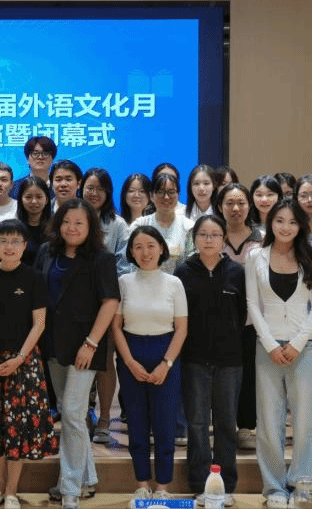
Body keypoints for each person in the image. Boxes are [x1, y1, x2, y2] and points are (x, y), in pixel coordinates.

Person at [0, 218, 57, 509]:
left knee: (17, 427)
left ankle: (12, 492)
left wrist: (19, 358)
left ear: (25, 245)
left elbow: (39, 323)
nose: (9, 246)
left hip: (23, 362)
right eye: (3, 240)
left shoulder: (34, 278)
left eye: (16, 241)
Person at [34, 199, 120, 509]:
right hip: (53, 343)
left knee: (71, 412)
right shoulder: (47, 252)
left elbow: (110, 302)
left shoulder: (102, 258)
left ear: (90, 227)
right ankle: (88, 477)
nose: (72, 228)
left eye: (79, 223)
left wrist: (92, 342)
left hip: (86, 346)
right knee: (71, 413)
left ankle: (68, 486)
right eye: (66, 222)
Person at [245, 200, 312, 508]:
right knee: (268, 421)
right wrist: (270, 344)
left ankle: (304, 486)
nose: (286, 227)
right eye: (279, 221)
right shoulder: (256, 256)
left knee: (306, 420)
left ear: (301, 225)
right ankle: (275, 488)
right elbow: (253, 305)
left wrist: (298, 343)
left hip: (304, 348)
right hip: (267, 348)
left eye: (292, 222)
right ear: (271, 223)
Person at [110, 225, 187, 502]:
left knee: (165, 425)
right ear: (131, 251)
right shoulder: (123, 282)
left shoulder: (174, 283)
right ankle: (142, 483)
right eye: (138, 247)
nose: (145, 252)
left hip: (165, 354)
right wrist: (129, 362)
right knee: (137, 424)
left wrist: (166, 363)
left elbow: (181, 329)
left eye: (151, 246)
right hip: (131, 354)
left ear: (161, 249)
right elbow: (116, 327)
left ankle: (163, 486)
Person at [175, 214, 246, 504]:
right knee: (197, 423)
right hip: (194, 360)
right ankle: (199, 482)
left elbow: (243, 314)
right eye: (203, 235)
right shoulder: (183, 272)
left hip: (230, 361)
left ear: (223, 239)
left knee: (227, 423)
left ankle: (226, 485)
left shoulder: (236, 272)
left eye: (215, 235)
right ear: (195, 239)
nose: (208, 240)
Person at [81, 167, 131, 444]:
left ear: (108, 192)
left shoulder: (118, 225)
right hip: (77, 304)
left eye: (100, 188)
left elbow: (123, 267)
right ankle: (81, 416)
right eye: (90, 187)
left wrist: (107, 296)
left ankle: (103, 420)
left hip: (107, 304)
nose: (94, 193)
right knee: (78, 361)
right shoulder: (74, 218)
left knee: (104, 362)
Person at [217, 182, 262, 451]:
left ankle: (246, 426)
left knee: (249, 373)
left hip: (252, 321)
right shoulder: (212, 234)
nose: (235, 208)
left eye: (241, 203)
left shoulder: (262, 238)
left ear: (249, 205)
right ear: (220, 206)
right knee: (221, 374)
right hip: (218, 320)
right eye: (229, 203)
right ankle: (223, 425)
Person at [131, 173, 194, 274]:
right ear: (151, 196)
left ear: (178, 195)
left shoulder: (189, 227)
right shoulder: (139, 226)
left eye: (171, 192)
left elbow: (191, 266)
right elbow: (132, 264)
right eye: (160, 192)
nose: (166, 197)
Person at [15, 175, 51, 267]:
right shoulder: (14, 228)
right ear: (21, 199)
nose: (34, 201)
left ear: (46, 200)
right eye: (28, 197)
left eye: (39, 197)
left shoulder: (55, 227)